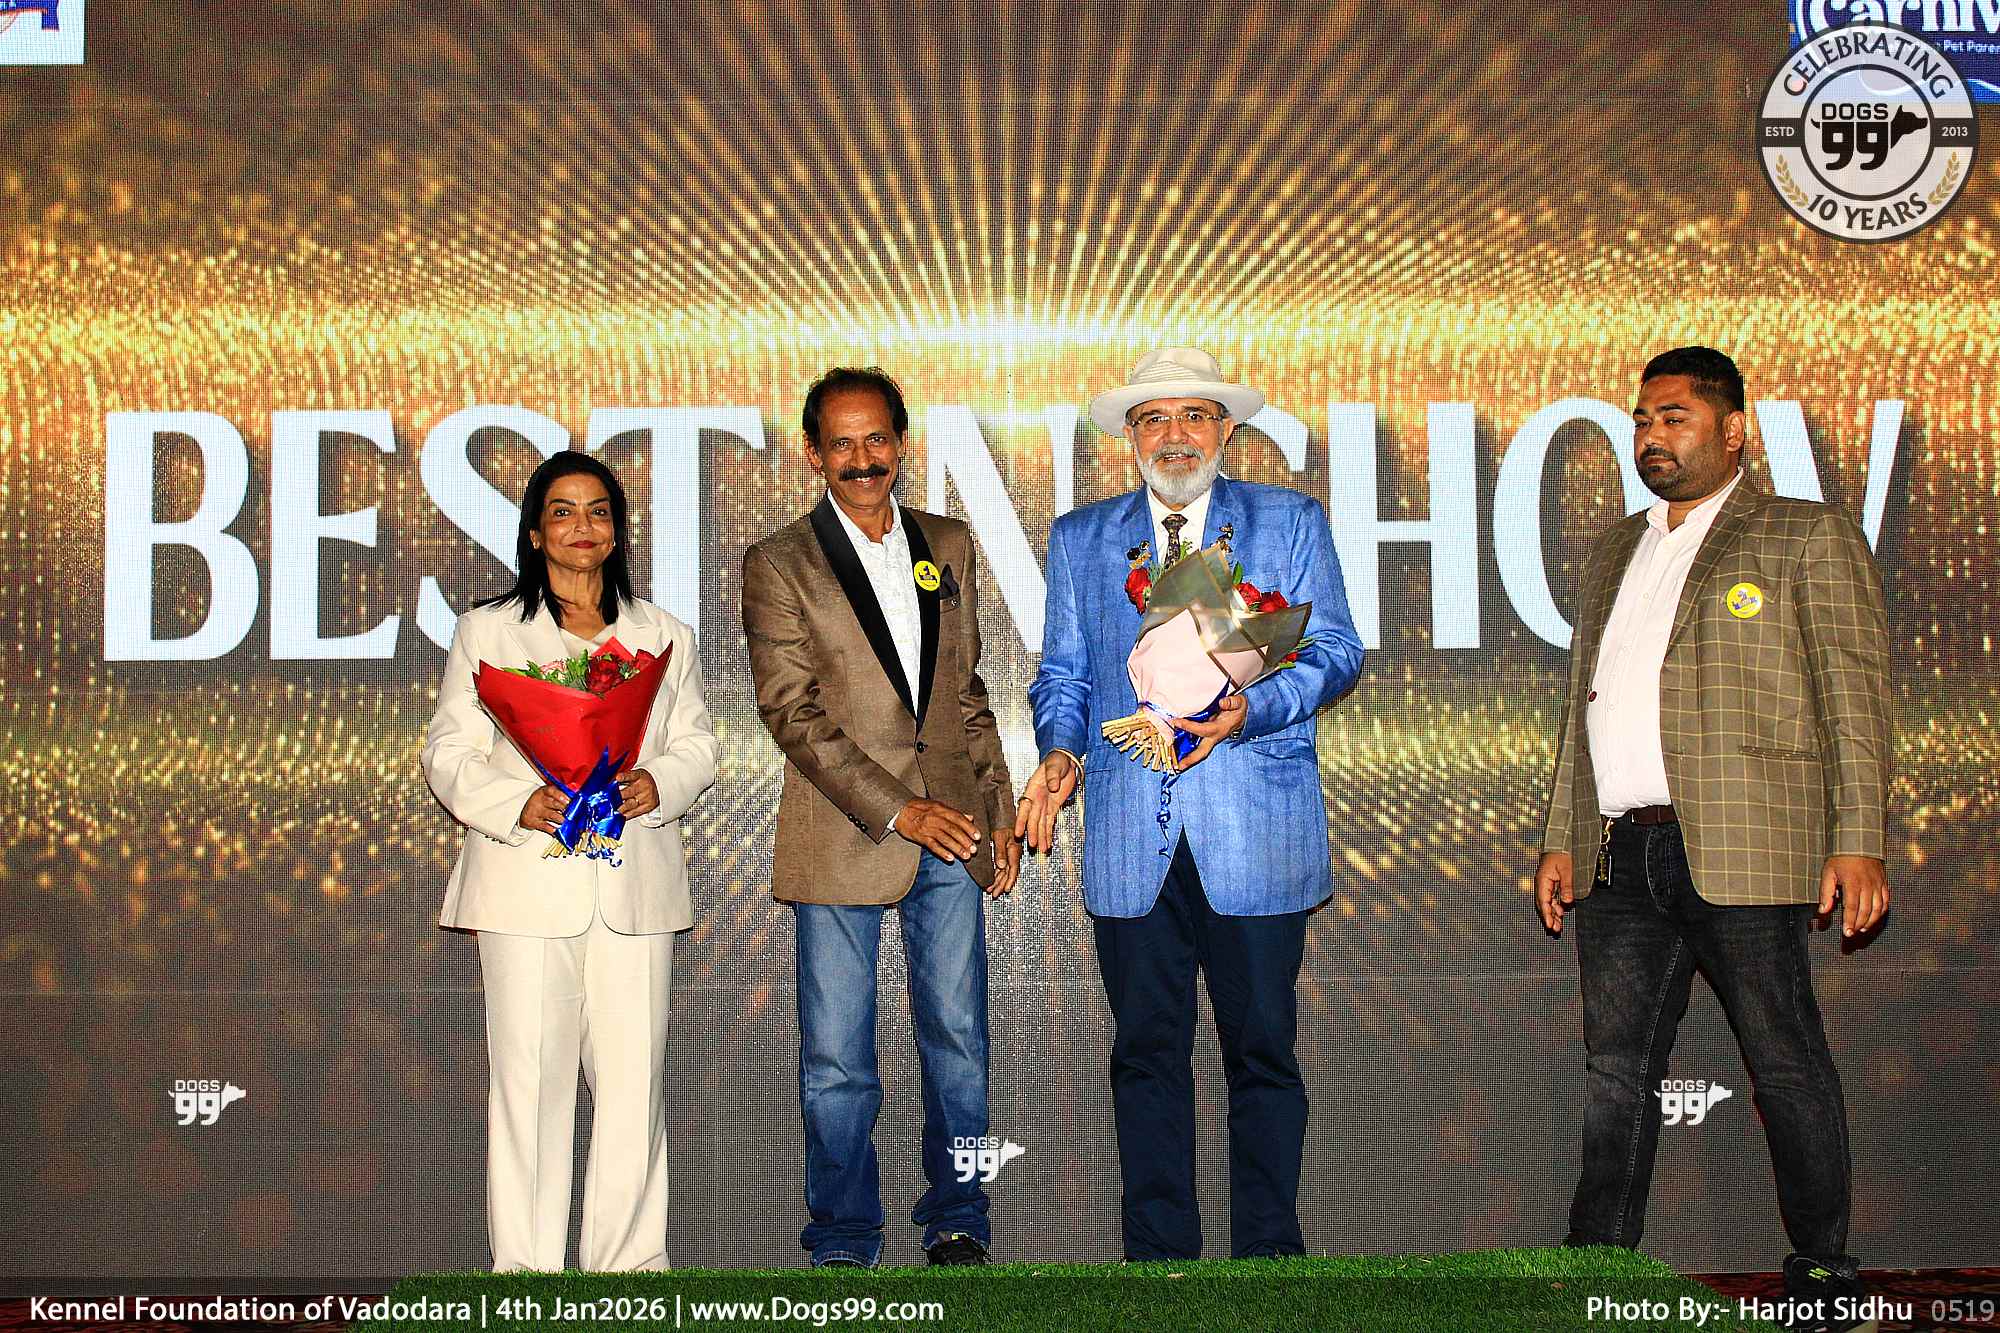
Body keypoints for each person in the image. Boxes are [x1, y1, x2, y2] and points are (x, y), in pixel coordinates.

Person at [1534, 346, 1890, 1327]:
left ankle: (1822, 1269)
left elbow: (1854, 697)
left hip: (1743, 846)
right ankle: (1597, 1265)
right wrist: (1562, 834)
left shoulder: (1802, 533)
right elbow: (1582, 707)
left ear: (1733, 430)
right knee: (1615, 1072)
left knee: (1784, 1064)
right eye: (1642, 420)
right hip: (1619, 850)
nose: (1652, 436)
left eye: (1674, 417)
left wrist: (1858, 838)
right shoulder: (1615, 547)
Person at [1018, 347, 1364, 1260]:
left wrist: (1253, 708)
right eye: (1153, 418)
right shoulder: (1083, 537)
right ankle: (1159, 1267)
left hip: (1255, 831)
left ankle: (1269, 1264)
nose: (1175, 435)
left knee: (1263, 1055)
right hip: (1131, 835)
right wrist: (1060, 750)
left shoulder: (1289, 520)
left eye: (1194, 415)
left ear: (1226, 429)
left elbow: (1336, 650)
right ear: (1130, 436)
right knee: (1145, 1057)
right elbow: (1064, 673)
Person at [741, 366, 1019, 1268]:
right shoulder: (779, 561)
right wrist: (902, 812)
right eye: (842, 443)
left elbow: (966, 693)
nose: (862, 459)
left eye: (876, 440)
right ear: (813, 453)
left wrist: (999, 807)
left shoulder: (951, 542)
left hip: (958, 831)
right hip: (844, 832)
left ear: (901, 443)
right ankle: (843, 1234)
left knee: (962, 1043)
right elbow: (792, 713)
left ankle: (961, 1216)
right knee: (836, 1062)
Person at [421, 451, 719, 1272]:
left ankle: (630, 1269)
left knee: (632, 1085)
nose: (581, 526)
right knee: (529, 1083)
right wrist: (516, 802)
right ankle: (526, 1273)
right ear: (533, 531)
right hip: (525, 885)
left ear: (617, 530)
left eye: (597, 511)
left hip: (635, 886)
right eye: (562, 510)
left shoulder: (664, 635)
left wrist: (657, 783)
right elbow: (447, 751)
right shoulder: (487, 632)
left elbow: (698, 745)